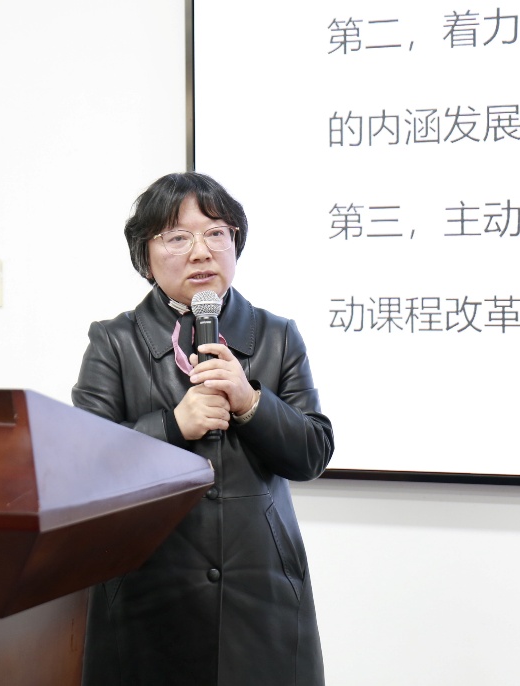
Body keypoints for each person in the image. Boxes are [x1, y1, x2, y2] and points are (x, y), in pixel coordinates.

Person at [72, 171, 334, 686]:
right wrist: (172, 426)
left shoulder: (278, 336)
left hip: (261, 594)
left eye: (217, 233)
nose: (201, 252)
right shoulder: (114, 342)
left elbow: (312, 454)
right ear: (145, 255)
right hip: (147, 591)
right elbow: (84, 466)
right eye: (177, 237)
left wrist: (251, 402)